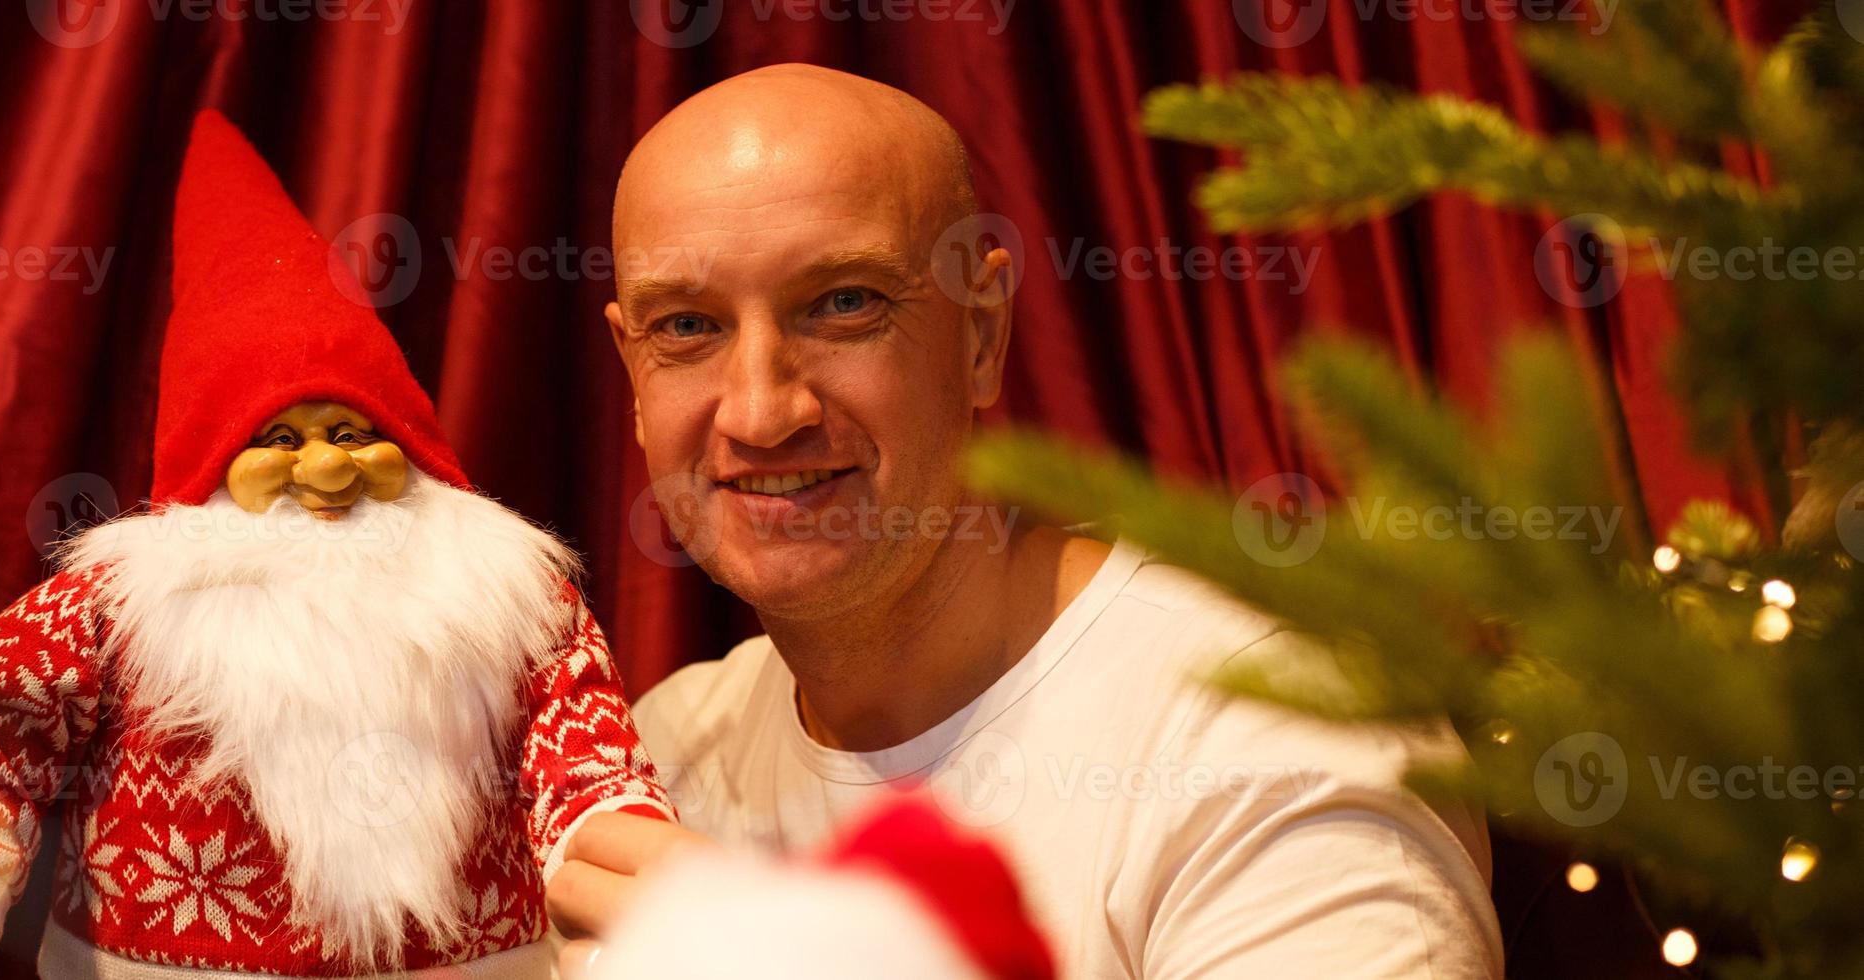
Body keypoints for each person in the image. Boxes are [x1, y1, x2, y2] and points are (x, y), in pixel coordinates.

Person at [547, 64, 1501, 978]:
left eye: (843, 304)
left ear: (982, 335)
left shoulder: (1276, 728)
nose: (760, 412)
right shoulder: (662, 757)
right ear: (632, 374)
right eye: (686, 327)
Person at [0, 111, 668, 979]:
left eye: (351, 430)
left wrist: (638, 881)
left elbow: (588, 764)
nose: (328, 471)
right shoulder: (113, 610)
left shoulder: (511, 599)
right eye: (277, 442)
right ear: (212, 467)